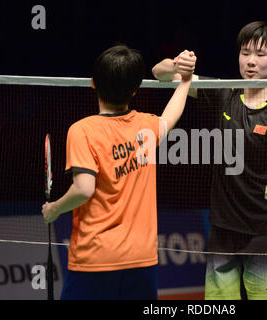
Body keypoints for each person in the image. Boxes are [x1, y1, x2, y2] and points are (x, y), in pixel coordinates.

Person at [152, 21, 267, 300]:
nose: (250, 61)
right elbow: (159, 75)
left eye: (260, 54)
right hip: (224, 231)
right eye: (245, 53)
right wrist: (178, 64)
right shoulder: (224, 92)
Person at [42, 44, 196, 300]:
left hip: (95, 258)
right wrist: (186, 81)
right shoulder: (146, 125)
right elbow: (172, 114)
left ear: (93, 83)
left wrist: (55, 208)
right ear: (135, 90)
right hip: (142, 259)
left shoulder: (82, 130)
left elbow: (83, 189)